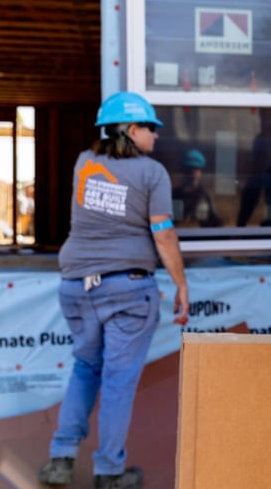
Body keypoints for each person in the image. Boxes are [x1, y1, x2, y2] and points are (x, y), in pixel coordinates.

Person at [38, 92, 190, 489]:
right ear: (131, 130)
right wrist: (181, 285)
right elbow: (163, 234)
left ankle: (60, 459)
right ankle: (108, 471)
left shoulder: (83, 164)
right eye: (150, 129)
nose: (156, 137)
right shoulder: (151, 173)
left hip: (76, 286)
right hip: (126, 288)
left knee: (85, 368)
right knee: (118, 381)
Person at [173, 148, 222, 227]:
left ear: (201, 172)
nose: (192, 173)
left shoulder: (205, 196)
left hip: (201, 238)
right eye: (188, 170)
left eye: (196, 169)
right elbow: (162, 222)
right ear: (183, 171)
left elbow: (215, 223)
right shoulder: (174, 196)